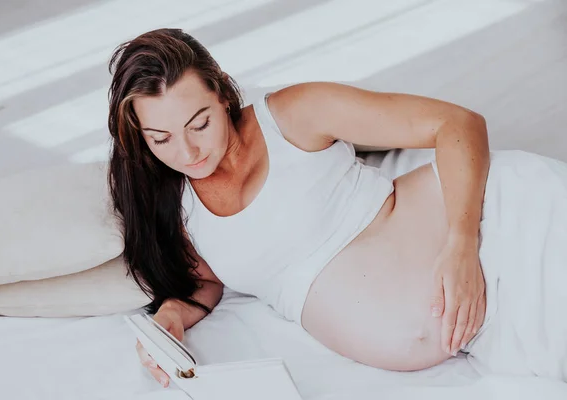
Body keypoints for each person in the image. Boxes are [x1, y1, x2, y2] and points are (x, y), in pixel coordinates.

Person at [107, 28, 567, 388]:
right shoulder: (177, 206)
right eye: (161, 139)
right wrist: (170, 316)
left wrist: (462, 247)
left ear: (224, 95)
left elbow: (458, 124)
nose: (188, 152)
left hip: (503, 229)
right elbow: (205, 280)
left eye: (200, 123)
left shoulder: (293, 115)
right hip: (485, 325)